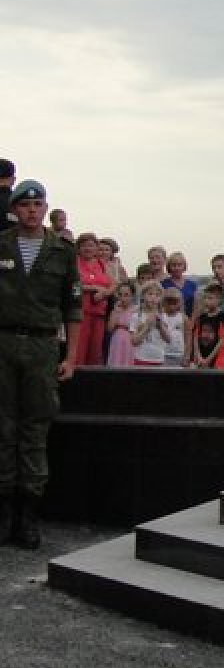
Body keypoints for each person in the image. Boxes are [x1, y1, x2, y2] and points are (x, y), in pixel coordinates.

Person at [0, 179, 84, 549]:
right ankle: (5, 516)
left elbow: (74, 307)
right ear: (15, 209)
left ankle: (28, 517)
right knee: (3, 430)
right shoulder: (1, 243)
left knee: (35, 431)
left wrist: (73, 357)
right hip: (3, 342)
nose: (32, 211)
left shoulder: (62, 252)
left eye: (38, 205)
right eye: (25, 205)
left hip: (41, 347)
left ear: (46, 208)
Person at [74, 232, 113, 367]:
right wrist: (94, 288)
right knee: (79, 351)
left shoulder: (102, 264)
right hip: (80, 313)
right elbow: (72, 286)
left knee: (95, 351)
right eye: (84, 246)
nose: (88, 249)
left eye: (91, 246)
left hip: (99, 314)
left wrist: (104, 293)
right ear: (78, 248)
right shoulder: (74, 263)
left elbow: (114, 284)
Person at [187, 284, 224, 369]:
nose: (206, 301)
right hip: (201, 357)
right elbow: (195, 336)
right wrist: (198, 355)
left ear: (219, 300)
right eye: (205, 298)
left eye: (210, 298)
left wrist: (208, 359)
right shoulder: (201, 317)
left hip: (217, 359)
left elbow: (222, 340)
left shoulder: (222, 317)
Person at [104, 281, 137, 368]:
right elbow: (109, 328)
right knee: (116, 362)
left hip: (130, 340)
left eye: (126, 295)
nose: (123, 298)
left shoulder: (136, 310)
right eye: (120, 294)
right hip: (117, 340)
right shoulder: (115, 310)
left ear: (132, 296)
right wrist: (115, 311)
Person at [162, 252, 197, 316]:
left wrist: (191, 323)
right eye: (174, 265)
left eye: (179, 265)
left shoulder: (192, 285)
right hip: (170, 320)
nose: (177, 268)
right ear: (169, 267)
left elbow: (195, 307)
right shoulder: (163, 284)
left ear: (184, 266)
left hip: (189, 321)